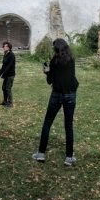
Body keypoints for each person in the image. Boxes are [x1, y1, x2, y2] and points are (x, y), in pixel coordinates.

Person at [32, 38, 79, 166]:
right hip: (70, 94)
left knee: (47, 123)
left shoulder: (54, 61)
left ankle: (41, 153)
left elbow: (50, 81)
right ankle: (69, 157)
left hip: (57, 94)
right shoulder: (71, 59)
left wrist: (47, 72)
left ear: (57, 48)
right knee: (68, 125)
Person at [0, 41, 15, 107]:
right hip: (6, 74)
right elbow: (4, 66)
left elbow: (9, 66)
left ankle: (10, 103)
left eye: (6, 46)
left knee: (8, 88)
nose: (4, 47)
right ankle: (5, 101)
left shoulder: (11, 55)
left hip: (10, 75)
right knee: (4, 88)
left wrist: (4, 74)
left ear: (9, 47)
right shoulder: (5, 54)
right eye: (4, 46)